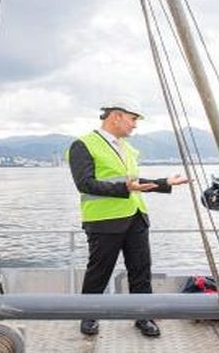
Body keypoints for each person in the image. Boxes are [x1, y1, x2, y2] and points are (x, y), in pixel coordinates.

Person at [67, 98, 188, 338]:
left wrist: (165, 183)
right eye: (133, 119)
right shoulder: (83, 144)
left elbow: (133, 182)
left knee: (141, 270)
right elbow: (85, 184)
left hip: (136, 218)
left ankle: (143, 316)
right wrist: (126, 189)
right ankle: (89, 314)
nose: (135, 125)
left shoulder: (126, 148)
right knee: (99, 271)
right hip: (104, 221)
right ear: (116, 116)